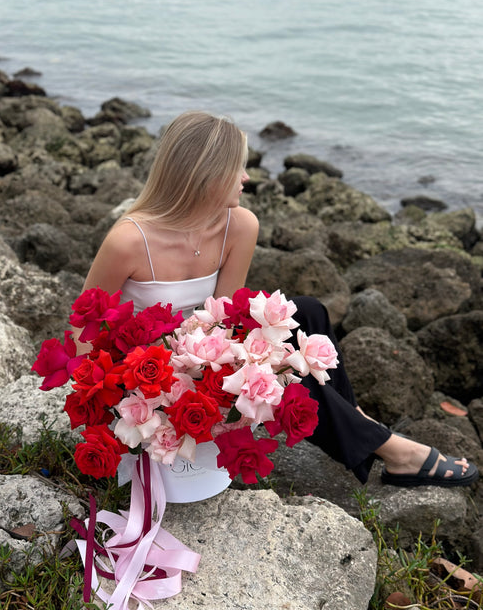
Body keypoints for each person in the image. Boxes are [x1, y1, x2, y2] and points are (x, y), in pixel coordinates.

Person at [80, 110, 478, 489]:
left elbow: (225, 318)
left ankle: (357, 423)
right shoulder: (129, 241)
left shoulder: (239, 225)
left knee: (308, 312)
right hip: (151, 378)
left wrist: (252, 359)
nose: (246, 177)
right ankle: (388, 447)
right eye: (237, 168)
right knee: (287, 369)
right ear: (206, 175)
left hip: (204, 356)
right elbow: (83, 334)